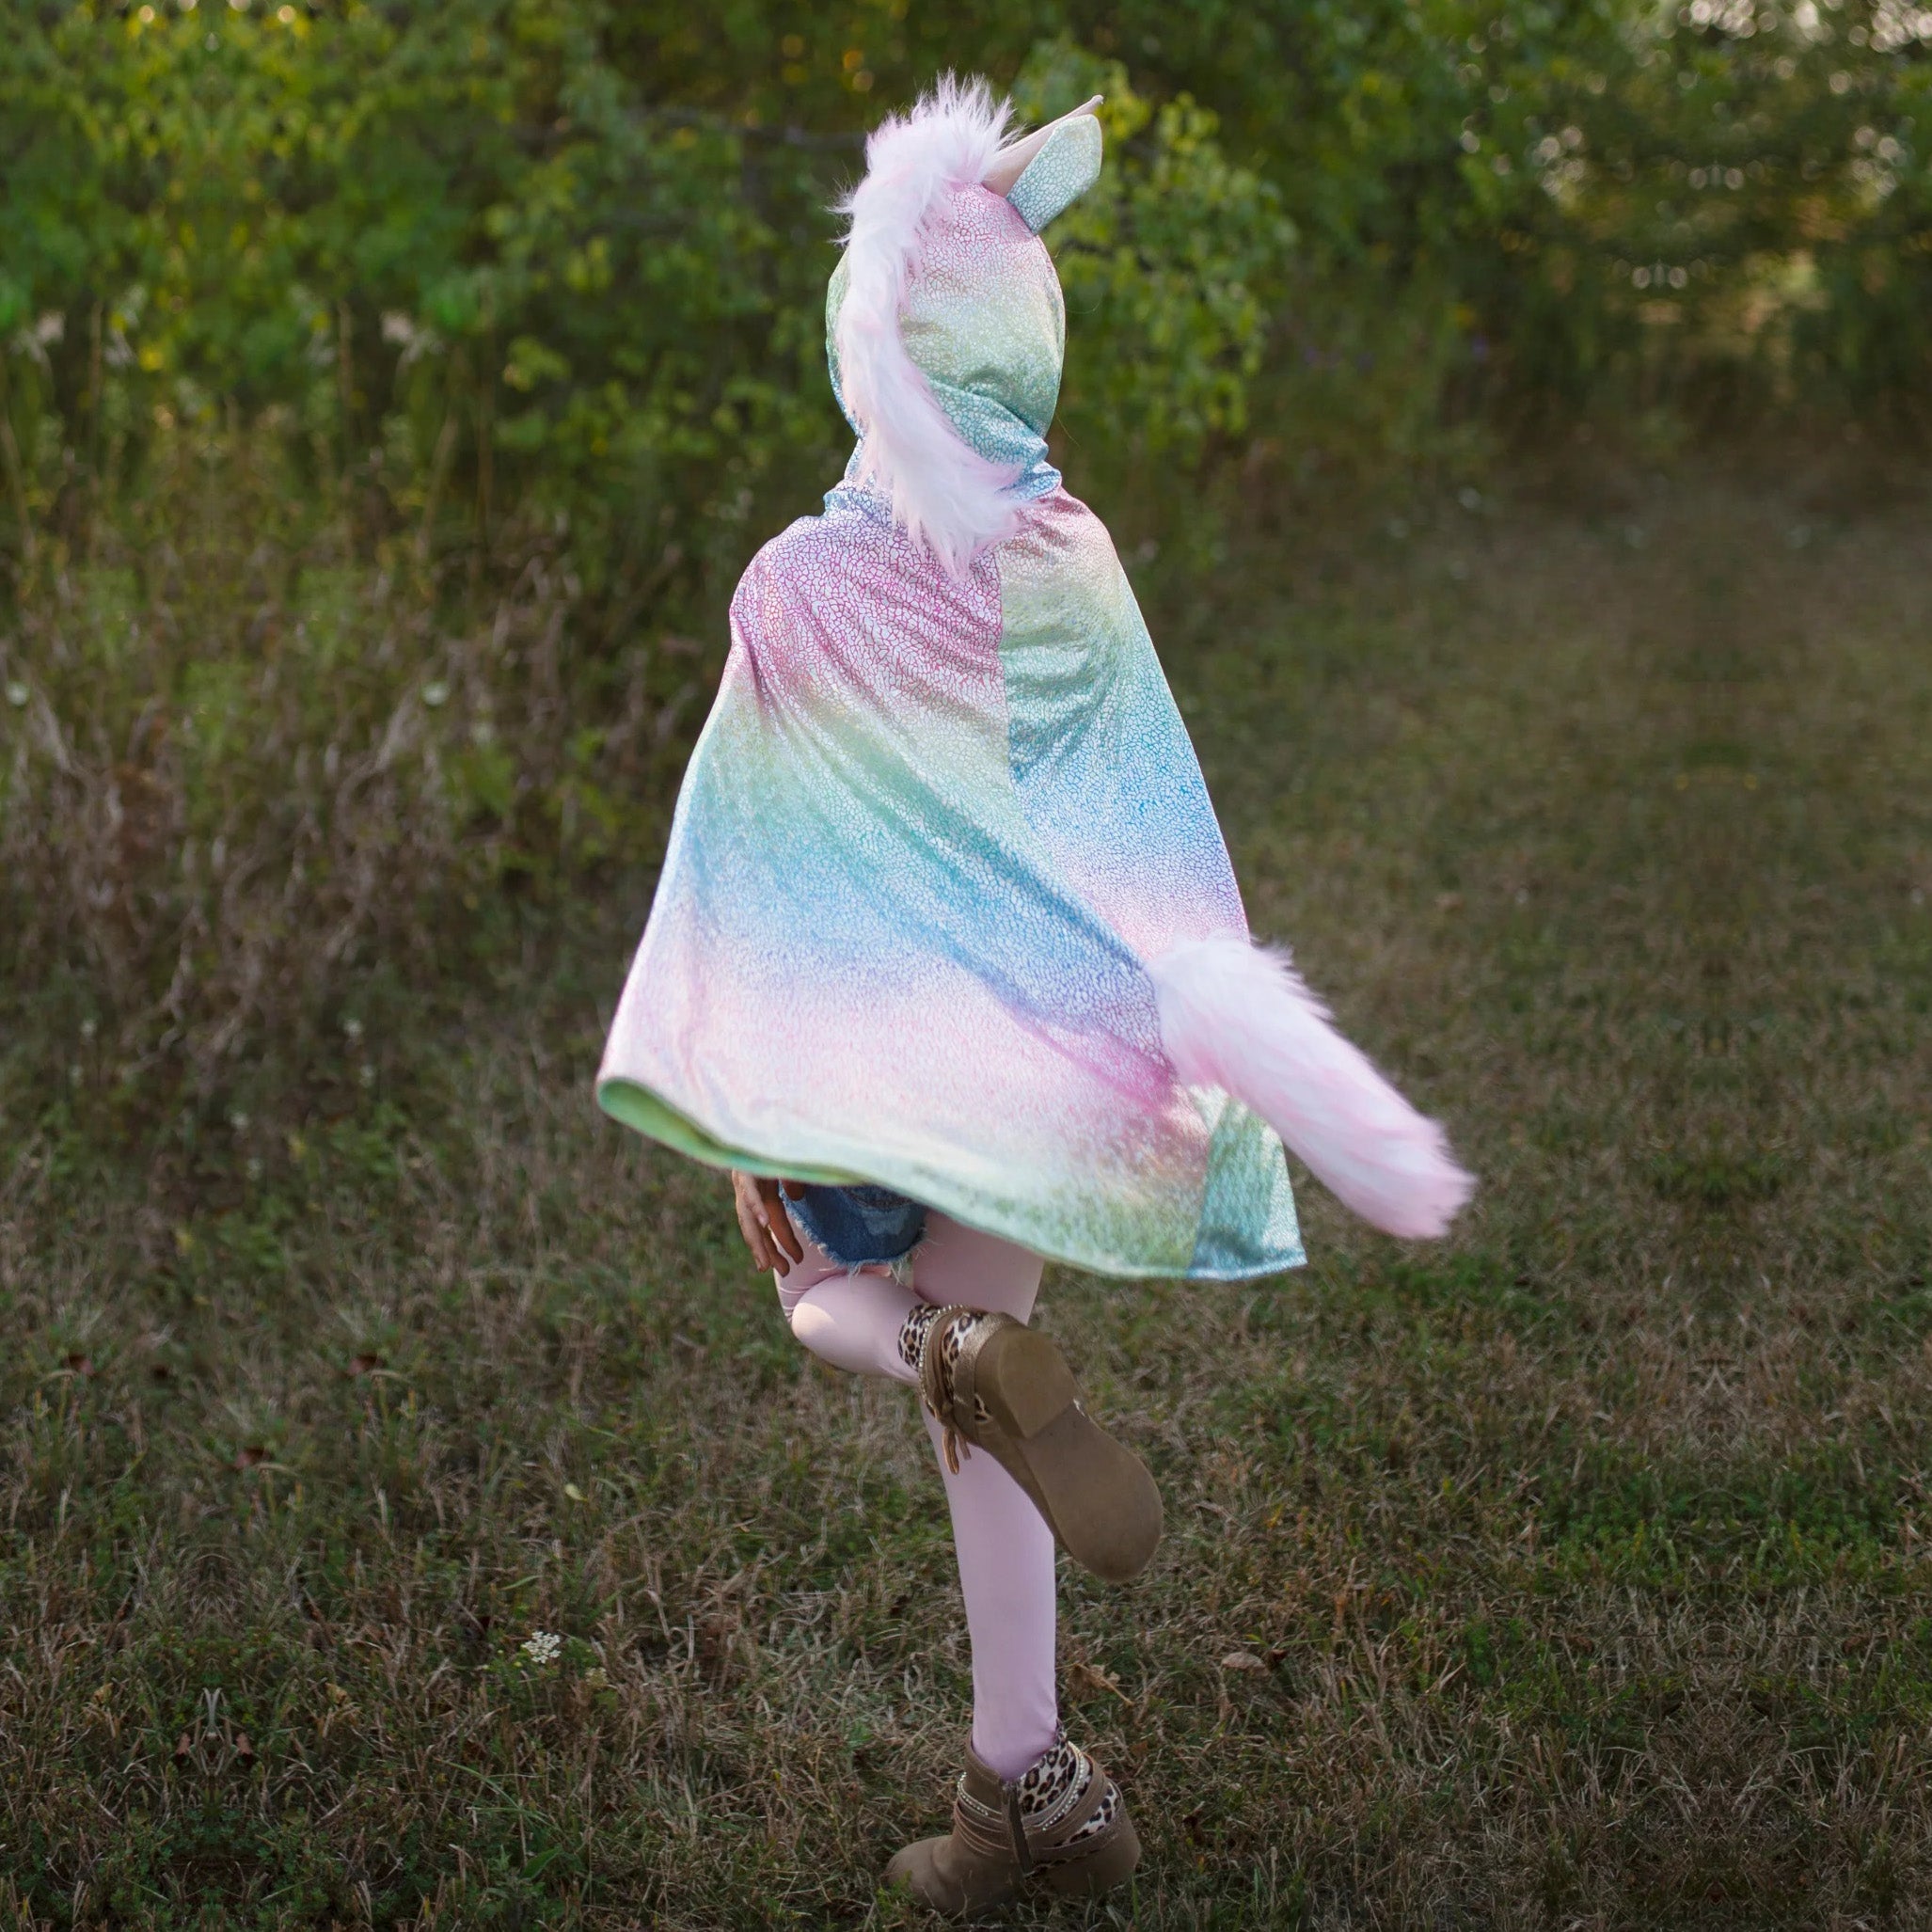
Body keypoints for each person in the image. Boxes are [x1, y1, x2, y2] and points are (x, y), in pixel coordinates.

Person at [598, 75, 1473, 1913]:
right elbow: (1133, 821)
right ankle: (1026, 1778)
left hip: (856, 1069)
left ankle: (916, 1349)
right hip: (1031, 1068)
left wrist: (751, 1114)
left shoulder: (795, 584)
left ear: (868, 353)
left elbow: (751, 863)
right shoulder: (1067, 557)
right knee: (990, 1426)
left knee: (829, 1296)